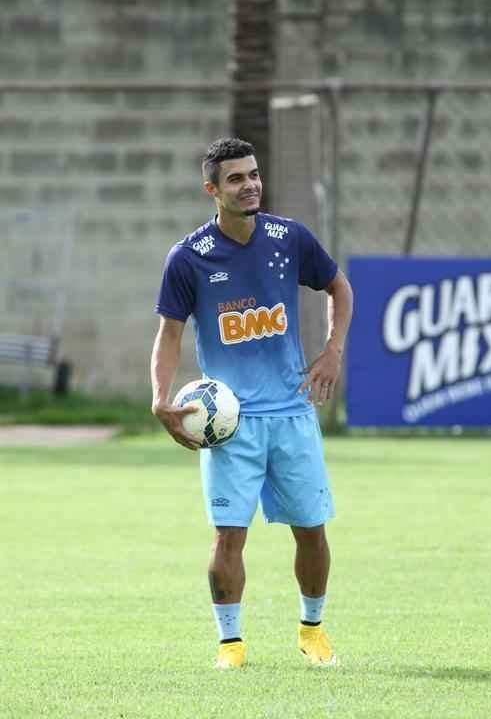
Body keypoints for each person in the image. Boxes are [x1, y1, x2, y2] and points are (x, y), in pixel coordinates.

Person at [151, 138, 353, 669]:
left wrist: (333, 351)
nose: (250, 185)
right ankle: (231, 646)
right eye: (236, 178)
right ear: (211, 190)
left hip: (292, 413)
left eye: (254, 174)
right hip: (229, 423)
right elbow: (169, 334)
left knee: (312, 529)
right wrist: (159, 399)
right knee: (228, 535)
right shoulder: (188, 258)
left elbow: (338, 286)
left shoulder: (291, 238)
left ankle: (312, 631)